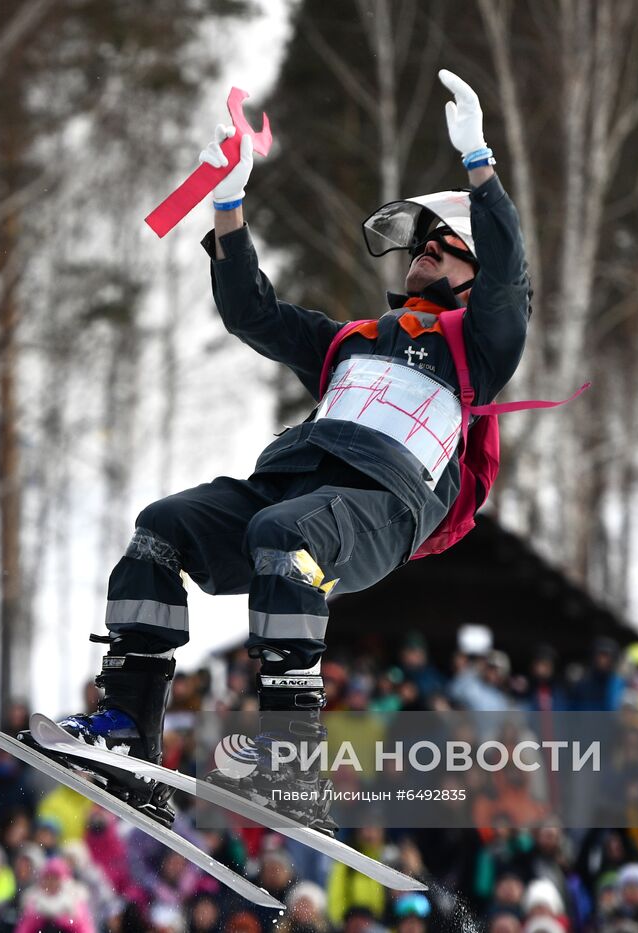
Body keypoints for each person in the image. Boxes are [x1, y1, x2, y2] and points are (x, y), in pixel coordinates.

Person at [33, 68, 532, 830]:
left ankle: (293, 760)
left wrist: (480, 166)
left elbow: (507, 283)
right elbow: (252, 313)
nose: (422, 254)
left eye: (443, 245)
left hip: (381, 505)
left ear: (475, 271)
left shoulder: (480, 343)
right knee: (161, 528)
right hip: (294, 482)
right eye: (420, 245)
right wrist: (228, 206)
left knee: (284, 537)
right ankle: (128, 723)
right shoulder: (353, 341)